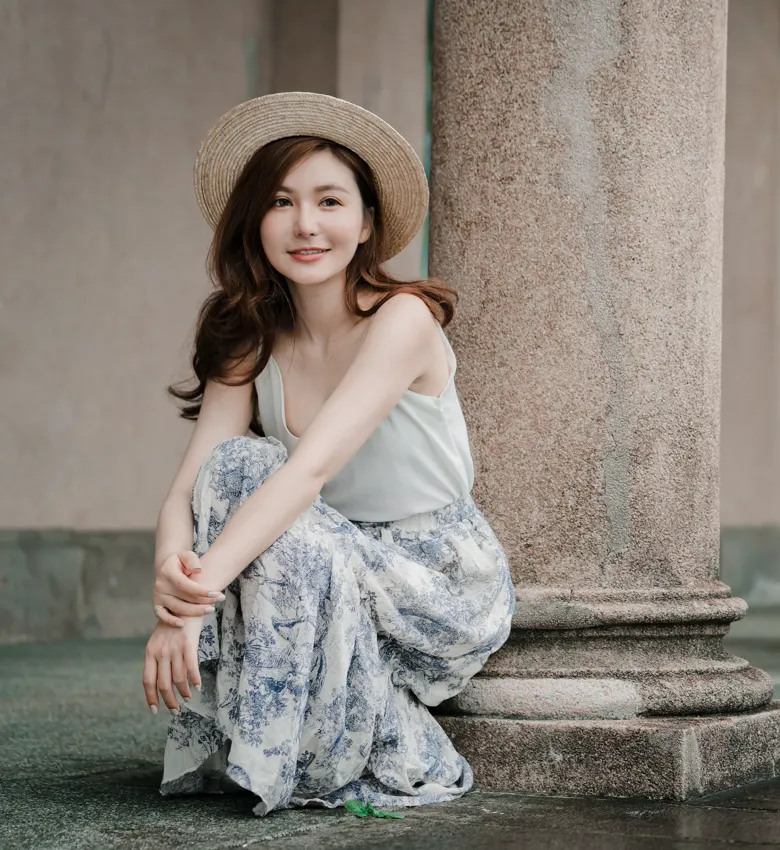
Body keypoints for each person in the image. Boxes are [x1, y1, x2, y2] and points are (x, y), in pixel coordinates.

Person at [142, 92, 514, 816]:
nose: (306, 225)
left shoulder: (402, 319)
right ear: (255, 220)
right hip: (320, 555)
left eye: (330, 201)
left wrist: (197, 599)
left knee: (275, 489)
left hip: (432, 578)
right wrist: (171, 582)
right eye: (281, 202)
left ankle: (377, 742)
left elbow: (310, 472)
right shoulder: (247, 329)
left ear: (367, 221)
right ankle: (300, 737)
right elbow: (189, 488)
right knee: (235, 470)